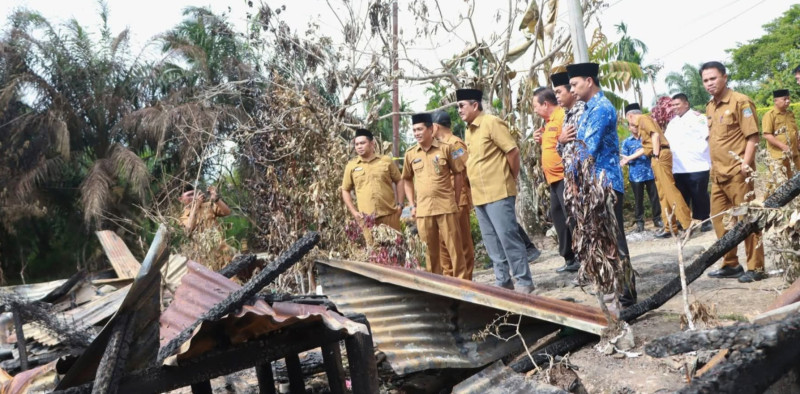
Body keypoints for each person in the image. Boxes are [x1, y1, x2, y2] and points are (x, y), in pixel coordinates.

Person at [561, 62, 636, 307]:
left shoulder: (601, 108)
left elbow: (585, 150)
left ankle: (626, 293)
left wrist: (572, 178)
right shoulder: (589, 108)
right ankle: (618, 289)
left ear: (589, 81)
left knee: (614, 239)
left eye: (574, 84)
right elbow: (574, 146)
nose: (572, 90)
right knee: (603, 239)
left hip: (605, 183)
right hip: (593, 184)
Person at [457, 88, 536, 293]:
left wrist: (512, 176)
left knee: (508, 237)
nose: (459, 110)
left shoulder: (491, 122)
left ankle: (524, 281)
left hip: (499, 190)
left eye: (461, 105)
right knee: (492, 241)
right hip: (480, 195)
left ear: (475, 105)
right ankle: (503, 281)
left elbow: (512, 151)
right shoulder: (469, 129)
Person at [701, 61, 765, 283]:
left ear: (724, 77)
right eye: (705, 80)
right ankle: (730, 263)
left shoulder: (741, 101)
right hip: (718, 175)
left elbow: (753, 137)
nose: (709, 83)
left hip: (738, 173)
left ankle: (756, 267)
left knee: (747, 220)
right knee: (719, 219)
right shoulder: (710, 107)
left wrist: (745, 164)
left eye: (713, 78)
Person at [402, 113, 468, 278]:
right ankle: (436, 286)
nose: (416, 133)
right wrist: (412, 204)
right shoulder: (410, 154)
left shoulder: (447, 148)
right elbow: (407, 180)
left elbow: (459, 173)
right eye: (414, 130)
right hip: (423, 210)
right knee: (430, 253)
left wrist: (456, 198)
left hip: (446, 206)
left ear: (431, 129)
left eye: (420, 129)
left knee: (455, 250)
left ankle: (463, 284)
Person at [624, 103, 693, 238]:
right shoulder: (643, 122)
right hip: (656, 155)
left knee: (670, 191)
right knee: (662, 194)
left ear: (630, 116)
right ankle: (669, 227)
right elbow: (646, 147)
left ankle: (687, 224)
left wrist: (655, 156)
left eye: (628, 120)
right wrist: (629, 158)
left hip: (659, 155)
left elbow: (655, 136)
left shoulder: (643, 119)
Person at [531, 86, 577, 273]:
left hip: (565, 176)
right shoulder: (548, 121)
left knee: (571, 218)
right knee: (558, 218)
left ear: (545, 104)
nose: (534, 109)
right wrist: (541, 139)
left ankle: (582, 257)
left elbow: (568, 143)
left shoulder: (562, 117)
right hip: (553, 179)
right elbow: (554, 143)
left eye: (535, 105)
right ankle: (569, 259)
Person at [431, 110, 475, 279]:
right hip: (443, 202)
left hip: (458, 199)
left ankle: (466, 280)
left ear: (435, 126)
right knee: (444, 242)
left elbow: (467, 169)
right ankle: (449, 278)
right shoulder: (438, 146)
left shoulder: (455, 144)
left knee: (462, 242)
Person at [341, 128, 404, 246]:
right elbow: (345, 190)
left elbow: (399, 181)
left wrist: (400, 205)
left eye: (362, 143)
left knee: (395, 252)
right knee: (374, 254)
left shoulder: (386, 161)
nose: (359, 146)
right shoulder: (351, 166)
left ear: (372, 143)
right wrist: (354, 212)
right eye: (357, 144)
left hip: (389, 215)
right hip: (367, 219)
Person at [665, 93, 713, 232]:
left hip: (697, 165)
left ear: (686, 104)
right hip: (678, 167)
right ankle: (686, 222)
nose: (674, 107)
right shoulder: (672, 123)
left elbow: (708, 137)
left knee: (699, 195)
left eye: (677, 104)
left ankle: (704, 220)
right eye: (672, 105)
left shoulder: (699, 119)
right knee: (683, 197)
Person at [179, 186, 236, 270]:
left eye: (195, 193)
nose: (193, 196)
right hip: (204, 258)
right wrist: (196, 206)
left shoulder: (208, 206)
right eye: (189, 195)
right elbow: (189, 229)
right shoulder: (183, 217)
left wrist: (216, 199)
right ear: (181, 199)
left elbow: (227, 212)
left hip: (221, 251)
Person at [620, 126, 662, 233]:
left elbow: (656, 152)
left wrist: (646, 152)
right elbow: (624, 159)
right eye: (633, 126)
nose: (635, 128)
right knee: (638, 199)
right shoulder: (626, 142)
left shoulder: (646, 139)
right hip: (635, 175)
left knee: (654, 197)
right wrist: (635, 155)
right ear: (629, 128)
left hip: (649, 173)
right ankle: (639, 222)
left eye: (637, 126)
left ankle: (657, 219)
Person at [762, 89, 799, 178]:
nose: (788, 101)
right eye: (785, 99)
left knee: (795, 183)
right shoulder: (770, 115)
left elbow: (794, 131)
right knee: (778, 185)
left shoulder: (790, 114)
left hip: (793, 155)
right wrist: (783, 146)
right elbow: (767, 135)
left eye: (788, 99)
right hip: (778, 157)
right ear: (776, 101)